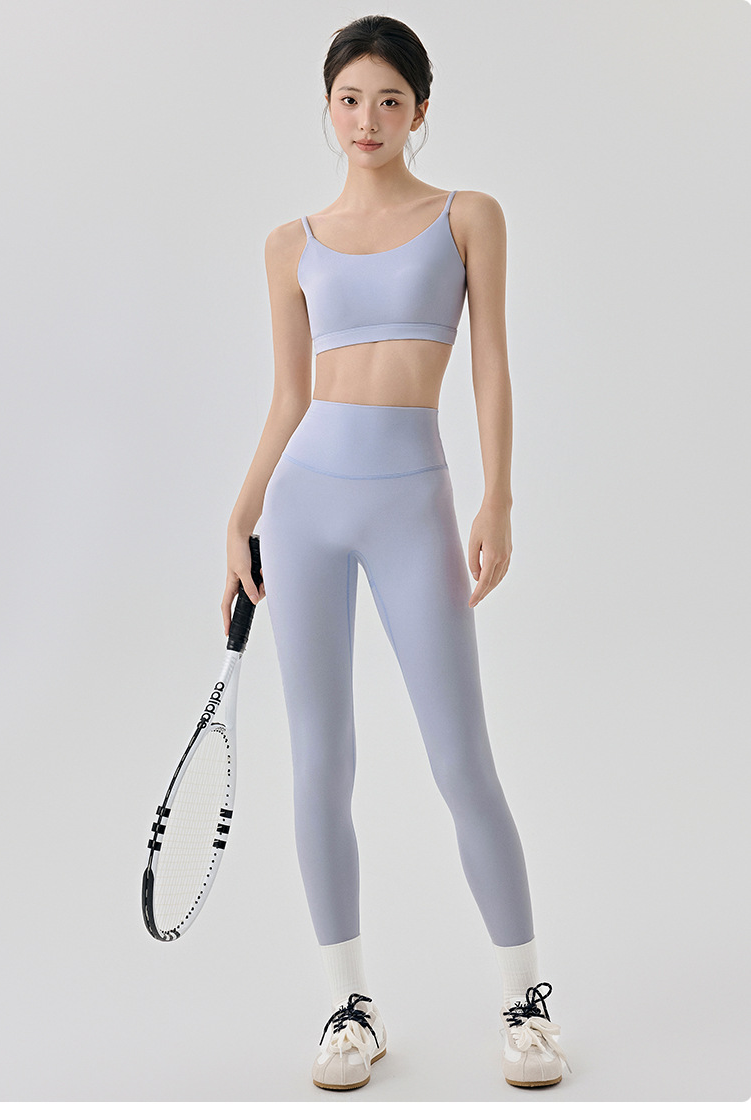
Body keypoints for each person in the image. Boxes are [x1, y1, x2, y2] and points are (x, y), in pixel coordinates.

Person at [221, 13, 571, 1094]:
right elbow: (288, 397)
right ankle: (349, 1008)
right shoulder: (290, 244)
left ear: (420, 110)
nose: (365, 120)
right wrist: (239, 514)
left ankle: (525, 1003)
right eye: (348, 100)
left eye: (387, 100)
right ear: (326, 108)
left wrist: (497, 494)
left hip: (415, 501)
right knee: (320, 762)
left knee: (461, 759)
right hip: (305, 506)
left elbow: (491, 364)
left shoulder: (467, 217)